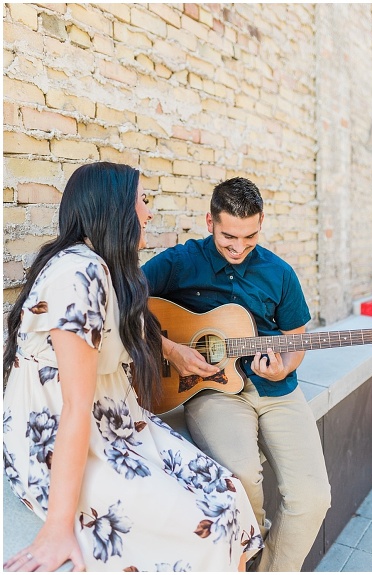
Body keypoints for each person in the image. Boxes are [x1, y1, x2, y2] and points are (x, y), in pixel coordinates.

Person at [2, 162, 262, 572]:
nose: (149, 211)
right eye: (142, 200)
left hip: (118, 422)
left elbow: (127, 323)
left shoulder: (104, 266)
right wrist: (57, 528)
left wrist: (175, 352)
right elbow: (73, 406)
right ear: (115, 208)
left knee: (228, 492)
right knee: (206, 524)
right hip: (65, 440)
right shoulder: (77, 273)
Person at [141, 177, 331, 572]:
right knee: (241, 476)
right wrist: (171, 350)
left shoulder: (279, 273)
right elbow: (126, 302)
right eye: (229, 236)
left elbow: (296, 337)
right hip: (211, 391)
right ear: (209, 221)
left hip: (277, 392)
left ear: (261, 222)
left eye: (251, 236)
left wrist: (285, 365)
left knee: (314, 497)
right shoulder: (178, 263)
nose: (240, 247)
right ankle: (248, 548)